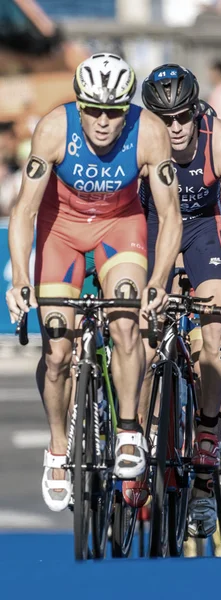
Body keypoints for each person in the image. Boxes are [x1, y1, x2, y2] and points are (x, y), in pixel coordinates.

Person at [6, 53, 182, 512]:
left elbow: (170, 216)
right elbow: (23, 210)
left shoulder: (149, 133)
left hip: (118, 228)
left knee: (126, 322)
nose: (104, 123)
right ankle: (59, 449)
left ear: (127, 109)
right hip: (60, 230)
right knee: (58, 350)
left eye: (114, 111)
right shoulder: (52, 129)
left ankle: (127, 430)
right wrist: (21, 278)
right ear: (79, 105)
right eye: (94, 110)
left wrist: (160, 280)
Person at [141, 63, 221, 538]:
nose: (177, 128)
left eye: (184, 116)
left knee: (214, 330)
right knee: (141, 338)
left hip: (203, 231)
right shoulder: (141, 139)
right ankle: (137, 432)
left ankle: (207, 429)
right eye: (166, 120)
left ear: (196, 110)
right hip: (149, 226)